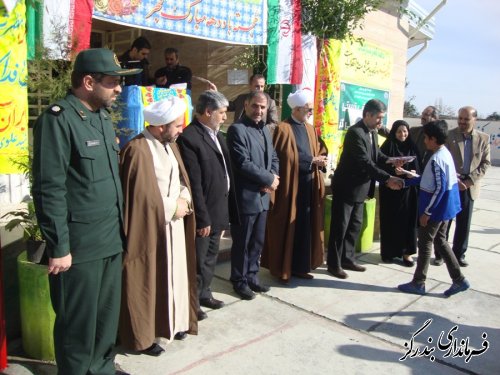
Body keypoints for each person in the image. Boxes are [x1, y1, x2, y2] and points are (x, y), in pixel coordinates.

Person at [32, 48, 141, 375]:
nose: (119, 89)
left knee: (105, 324)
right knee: (77, 331)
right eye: (113, 82)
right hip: (78, 250)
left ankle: (103, 369)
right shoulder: (58, 120)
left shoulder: (101, 119)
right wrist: (60, 247)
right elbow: (48, 187)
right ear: (89, 81)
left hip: (109, 241)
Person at [119, 97, 198, 356]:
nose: (180, 129)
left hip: (174, 225)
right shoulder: (137, 149)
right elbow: (139, 197)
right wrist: (172, 207)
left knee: (174, 277)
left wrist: (184, 198)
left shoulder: (169, 145)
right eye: (177, 125)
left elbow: (180, 181)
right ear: (161, 126)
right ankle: (146, 335)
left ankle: (174, 323)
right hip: (151, 229)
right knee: (150, 280)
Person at [177, 91, 239, 321]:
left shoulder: (216, 134)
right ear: (208, 112)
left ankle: (205, 293)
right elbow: (194, 183)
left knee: (211, 256)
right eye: (221, 113)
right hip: (205, 213)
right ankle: (192, 302)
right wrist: (202, 218)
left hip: (219, 207)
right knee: (198, 260)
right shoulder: (190, 138)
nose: (225, 117)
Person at [326, 99, 404, 279]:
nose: (380, 122)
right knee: (341, 227)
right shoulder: (355, 133)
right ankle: (334, 264)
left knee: (354, 226)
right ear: (368, 114)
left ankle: (348, 258)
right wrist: (387, 178)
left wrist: (391, 161)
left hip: (361, 189)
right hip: (347, 188)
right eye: (378, 118)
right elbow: (364, 162)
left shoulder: (373, 133)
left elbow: (376, 155)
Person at [398, 120, 470, 297]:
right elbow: (429, 180)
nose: (424, 141)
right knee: (441, 241)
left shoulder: (437, 159)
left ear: (433, 139)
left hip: (436, 210)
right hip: (445, 208)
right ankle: (459, 279)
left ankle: (418, 282)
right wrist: (407, 179)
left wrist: (427, 213)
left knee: (424, 244)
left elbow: (439, 188)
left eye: (426, 138)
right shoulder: (444, 153)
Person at [262, 89, 327, 281]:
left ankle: (300, 266)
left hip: (308, 187)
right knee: (286, 228)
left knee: (304, 229)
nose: (310, 112)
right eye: (307, 109)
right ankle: (283, 269)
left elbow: (319, 148)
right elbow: (283, 158)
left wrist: (321, 158)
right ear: (297, 109)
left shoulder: (309, 128)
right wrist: (311, 160)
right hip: (290, 189)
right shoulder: (283, 128)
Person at [227, 91, 279, 300]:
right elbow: (242, 163)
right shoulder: (237, 130)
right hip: (246, 197)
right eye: (255, 106)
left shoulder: (265, 129)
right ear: (246, 105)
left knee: (257, 241)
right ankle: (239, 281)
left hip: (263, 196)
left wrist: (273, 177)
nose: (259, 111)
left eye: (263, 108)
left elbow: (274, 156)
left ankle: (252, 276)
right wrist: (267, 179)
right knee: (243, 242)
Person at [445, 106, 490, 267]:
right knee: (446, 221)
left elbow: (485, 163)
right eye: (460, 119)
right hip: (452, 184)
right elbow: (444, 159)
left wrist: (469, 181)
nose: (462, 122)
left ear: (474, 119)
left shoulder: (483, 138)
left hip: (469, 187)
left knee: (464, 223)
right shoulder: (450, 136)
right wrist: (454, 179)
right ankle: (440, 253)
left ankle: (459, 254)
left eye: (466, 119)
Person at [378, 120, 420, 266]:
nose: (403, 134)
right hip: (391, 192)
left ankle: (407, 253)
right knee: (390, 221)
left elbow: (419, 168)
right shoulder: (387, 147)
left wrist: (412, 173)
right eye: (399, 131)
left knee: (408, 222)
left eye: (405, 131)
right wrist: (392, 172)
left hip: (408, 192)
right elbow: (380, 167)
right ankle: (389, 252)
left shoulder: (412, 147)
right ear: (394, 133)